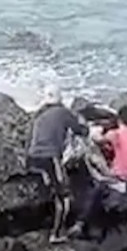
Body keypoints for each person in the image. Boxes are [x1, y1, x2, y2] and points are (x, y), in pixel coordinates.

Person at [26, 88, 88, 242]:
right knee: (64, 197)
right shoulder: (63, 112)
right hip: (49, 157)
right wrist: (86, 127)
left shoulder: (38, 115)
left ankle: (47, 222)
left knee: (51, 190)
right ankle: (56, 234)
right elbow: (79, 130)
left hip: (32, 157)